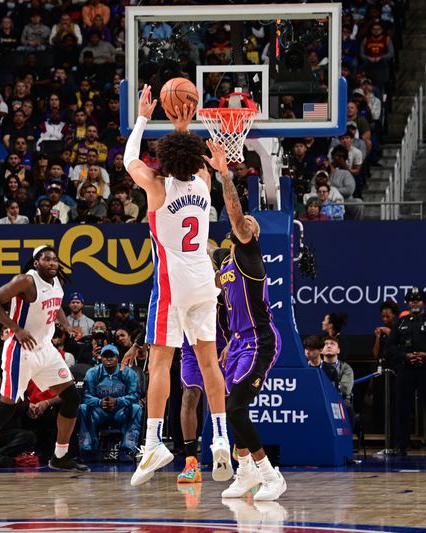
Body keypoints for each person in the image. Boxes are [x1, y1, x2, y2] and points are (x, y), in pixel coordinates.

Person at [121, 86, 231, 486]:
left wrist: (144, 118)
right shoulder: (203, 184)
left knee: (161, 363)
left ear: (164, 161)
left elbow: (130, 158)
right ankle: (219, 437)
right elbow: (197, 162)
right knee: (208, 363)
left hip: (172, 285)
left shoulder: (156, 187)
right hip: (205, 281)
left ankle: (152, 444)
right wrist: (185, 126)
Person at [0, 246, 89, 478]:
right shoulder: (25, 281)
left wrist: (66, 326)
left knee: (71, 397)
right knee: (6, 408)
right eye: (46, 259)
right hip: (22, 350)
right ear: (35, 262)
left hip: (45, 349)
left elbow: (56, 304)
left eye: (55, 259)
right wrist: (16, 329)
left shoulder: (56, 281)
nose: (52, 263)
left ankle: (60, 456)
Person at [206, 138, 286, 501]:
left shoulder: (250, 257)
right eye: (244, 223)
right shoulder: (225, 261)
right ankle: (244, 472)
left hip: (260, 340)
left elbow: (235, 215)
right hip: (239, 342)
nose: (247, 223)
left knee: (237, 409)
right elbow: (202, 244)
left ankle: (271, 475)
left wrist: (224, 174)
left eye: (250, 224)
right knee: (230, 407)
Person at [385, 287, 426, 453]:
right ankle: (400, 445)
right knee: (402, 407)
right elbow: (390, 346)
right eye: (411, 300)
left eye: (418, 299)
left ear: (424, 303)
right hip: (406, 370)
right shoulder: (400, 322)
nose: (414, 302)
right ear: (406, 303)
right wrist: (405, 356)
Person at [177, 296, 230, 484]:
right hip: (191, 349)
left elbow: (240, 315)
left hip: (219, 347)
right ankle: (191, 463)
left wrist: (234, 342)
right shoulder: (181, 282)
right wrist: (137, 344)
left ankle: (241, 456)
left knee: (227, 402)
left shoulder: (219, 285)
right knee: (189, 396)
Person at [78, 344, 143, 462]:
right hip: (100, 411)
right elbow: (86, 396)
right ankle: (88, 449)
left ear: (117, 358)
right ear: (101, 358)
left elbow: (135, 395)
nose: (108, 359)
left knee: (136, 408)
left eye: (111, 356)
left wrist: (118, 401)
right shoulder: (92, 373)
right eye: (105, 356)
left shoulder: (129, 373)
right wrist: (99, 402)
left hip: (120, 412)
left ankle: (127, 449)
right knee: (82, 408)